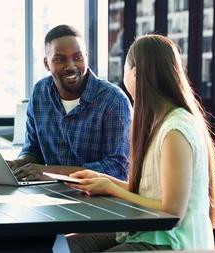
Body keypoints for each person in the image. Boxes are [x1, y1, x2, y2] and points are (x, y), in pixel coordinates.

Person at [65, 34, 215, 251]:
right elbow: (152, 191)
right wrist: (103, 180)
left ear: (136, 73)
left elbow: (172, 211)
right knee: (64, 246)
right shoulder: (160, 121)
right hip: (148, 232)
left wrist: (112, 187)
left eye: (125, 71)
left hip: (172, 242)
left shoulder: (175, 130)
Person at [8, 24, 132, 181]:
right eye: (60, 59)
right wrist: (16, 164)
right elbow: (33, 149)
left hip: (98, 199)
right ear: (47, 63)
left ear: (86, 57)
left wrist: (50, 172)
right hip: (50, 195)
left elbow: (117, 168)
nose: (71, 66)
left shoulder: (113, 100)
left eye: (78, 58)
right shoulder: (40, 93)